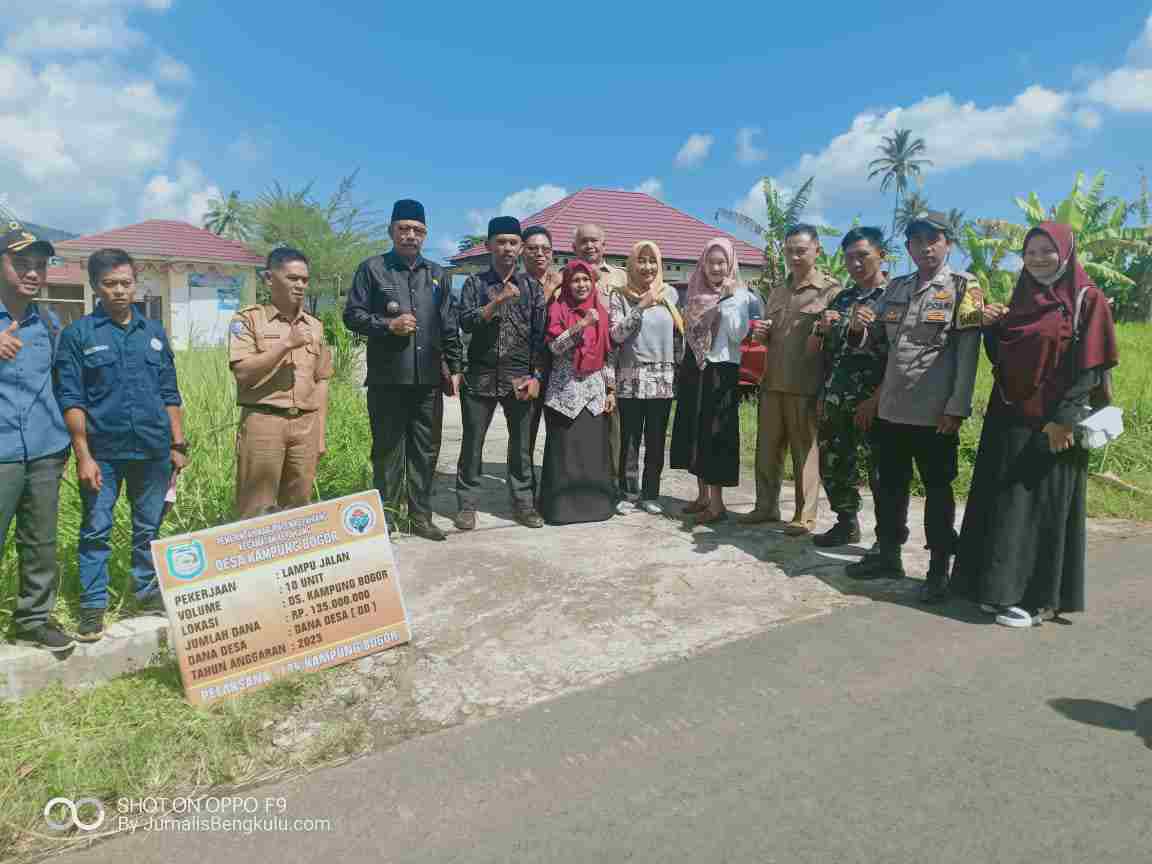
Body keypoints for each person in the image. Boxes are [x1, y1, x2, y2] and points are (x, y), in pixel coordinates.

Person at [951, 223, 1118, 627]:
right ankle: (997, 589)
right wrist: (992, 327)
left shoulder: (1088, 299)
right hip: (1009, 415)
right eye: (1030, 251)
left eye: (1047, 250)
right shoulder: (1022, 300)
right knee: (1007, 505)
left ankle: (1035, 600)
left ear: (1066, 252)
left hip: (1053, 421)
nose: (1038, 258)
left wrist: (1063, 419)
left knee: (1041, 507)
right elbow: (1005, 358)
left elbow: (1091, 365)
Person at [844, 211, 982, 602]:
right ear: (908, 248)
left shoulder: (963, 287)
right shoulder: (897, 287)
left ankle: (939, 568)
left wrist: (957, 407)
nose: (926, 247)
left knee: (938, 491)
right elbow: (875, 344)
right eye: (917, 241)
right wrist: (858, 328)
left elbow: (968, 354)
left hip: (935, 413)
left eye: (933, 239)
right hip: (891, 409)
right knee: (889, 488)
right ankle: (888, 554)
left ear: (948, 244)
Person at [55, 248, 187, 642]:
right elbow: (71, 398)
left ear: (136, 284)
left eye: (125, 283)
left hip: (152, 450)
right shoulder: (78, 335)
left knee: (149, 528)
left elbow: (169, 392)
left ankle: (146, 595)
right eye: (110, 284)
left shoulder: (153, 333)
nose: (119, 291)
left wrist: (179, 444)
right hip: (103, 455)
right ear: (96, 287)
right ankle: (93, 607)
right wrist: (83, 455)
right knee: (96, 528)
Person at [344, 199, 463, 541]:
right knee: (387, 449)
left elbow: (449, 323)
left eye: (418, 230)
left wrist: (454, 367)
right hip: (388, 378)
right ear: (391, 231)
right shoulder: (373, 269)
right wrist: (388, 324)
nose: (411, 235)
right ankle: (388, 518)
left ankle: (421, 517)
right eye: (404, 229)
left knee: (426, 451)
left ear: (425, 235)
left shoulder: (437, 275)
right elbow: (352, 315)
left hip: (427, 381)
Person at [0, 221, 72, 651]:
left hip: (45, 449)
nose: (32, 273)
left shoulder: (48, 320)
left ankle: (32, 620)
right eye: (20, 263)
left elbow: (63, 381)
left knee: (41, 541)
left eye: (39, 266)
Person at [742, 225, 841, 535]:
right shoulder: (778, 291)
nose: (795, 257)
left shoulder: (831, 291)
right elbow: (774, 334)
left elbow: (836, 342)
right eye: (789, 251)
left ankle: (804, 515)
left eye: (801, 250)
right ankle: (765, 507)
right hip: (772, 382)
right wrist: (763, 334)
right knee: (767, 449)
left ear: (817, 251)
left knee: (804, 452)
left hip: (805, 385)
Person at [454, 217, 546, 530]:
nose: (507, 248)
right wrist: (497, 302)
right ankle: (466, 505)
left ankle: (523, 504)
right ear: (490, 245)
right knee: (472, 445)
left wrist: (536, 376)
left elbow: (539, 335)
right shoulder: (474, 284)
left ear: (520, 248)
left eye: (513, 242)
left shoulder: (532, 287)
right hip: (479, 377)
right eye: (501, 242)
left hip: (520, 378)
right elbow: (465, 322)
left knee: (521, 447)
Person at [229, 248, 333, 519]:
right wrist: (286, 344)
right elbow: (242, 372)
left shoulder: (315, 326)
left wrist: (319, 434)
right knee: (256, 510)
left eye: (304, 280)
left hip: (305, 427)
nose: (300, 285)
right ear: (268, 279)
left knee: (298, 510)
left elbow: (321, 380)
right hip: (264, 422)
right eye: (292, 278)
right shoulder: (248, 320)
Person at [811, 227, 889, 547]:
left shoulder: (894, 296)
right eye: (849, 258)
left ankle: (887, 540)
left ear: (881, 256)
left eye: (863, 256)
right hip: (834, 396)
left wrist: (875, 399)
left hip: (874, 400)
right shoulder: (843, 298)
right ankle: (846, 522)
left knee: (880, 471)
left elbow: (900, 356)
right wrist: (822, 393)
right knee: (833, 461)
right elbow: (828, 353)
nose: (855, 263)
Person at [669, 237, 756, 524]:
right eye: (711, 262)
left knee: (714, 435)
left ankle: (717, 505)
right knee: (695, 431)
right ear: (702, 264)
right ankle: (702, 496)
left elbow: (736, 335)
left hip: (721, 370)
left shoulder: (740, 295)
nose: (716, 268)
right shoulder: (695, 293)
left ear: (730, 264)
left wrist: (729, 300)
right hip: (695, 368)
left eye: (722, 263)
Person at [538, 261, 616, 525]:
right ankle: (562, 510)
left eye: (586, 280)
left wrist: (611, 390)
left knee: (592, 453)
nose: (581, 285)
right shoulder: (558, 308)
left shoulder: (602, 313)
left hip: (594, 394)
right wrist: (581, 324)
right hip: (565, 394)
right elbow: (555, 348)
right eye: (575, 280)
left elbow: (607, 355)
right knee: (565, 454)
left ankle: (596, 507)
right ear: (567, 284)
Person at [609, 240, 684, 514]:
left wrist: (678, 373)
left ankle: (651, 493)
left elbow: (679, 336)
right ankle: (628, 493)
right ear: (631, 264)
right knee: (629, 439)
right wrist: (641, 305)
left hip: (662, 379)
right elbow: (616, 334)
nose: (647, 267)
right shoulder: (619, 295)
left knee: (655, 440)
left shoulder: (672, 294)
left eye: (652, 261)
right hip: (631, 377)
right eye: (641, 260)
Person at [574, 223, 628, 507]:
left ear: (604, 245)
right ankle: (583, 480)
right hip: (578, 363)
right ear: (574, 247)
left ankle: (615, 482)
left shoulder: (620, 276)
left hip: (615, 359)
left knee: (615, 425)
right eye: (584, 241)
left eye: (595, 240)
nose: (590, 246)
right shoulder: (568, 277)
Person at [522, 225, 560, 459]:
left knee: (558, 434)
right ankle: (524, 490)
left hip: (560, 370)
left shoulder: (564, 283)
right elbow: (525, 326)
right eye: (533, 248)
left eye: (545, 249)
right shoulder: (516, 285)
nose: (540, 253)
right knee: (525, 433)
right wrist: (546, 292)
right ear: (522, 252)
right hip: (528, 369)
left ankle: (551, 488)